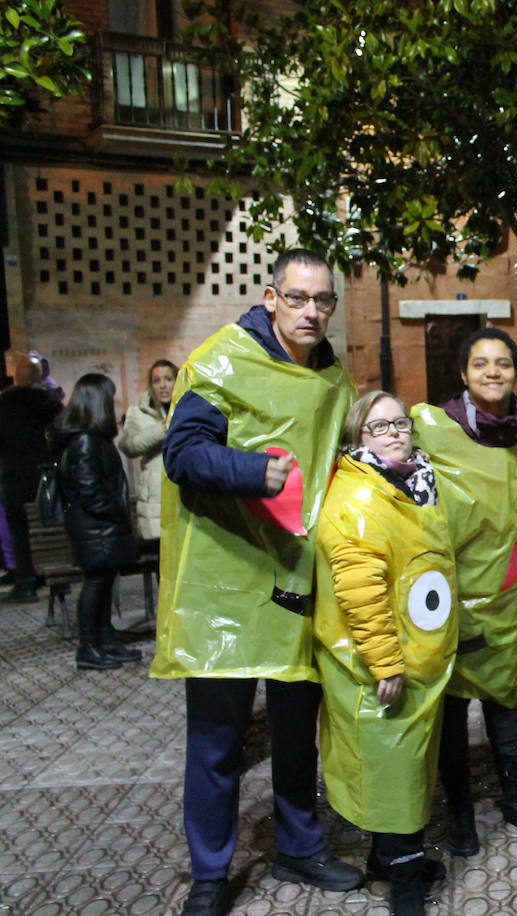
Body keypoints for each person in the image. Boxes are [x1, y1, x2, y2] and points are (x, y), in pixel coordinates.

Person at [152, 249, 360, 916]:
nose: (311, 312)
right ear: (271, 299)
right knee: (217, 742)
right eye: (297, 298)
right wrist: (252, 472)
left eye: (322, 301)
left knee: (298, 736)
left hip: (298, 584)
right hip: (226, 586)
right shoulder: (220, 361)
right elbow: (182, 454)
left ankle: (300, 847)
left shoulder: (334, 379)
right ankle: (211, 874)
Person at [411, 328, 517, 855]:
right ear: (463, 374)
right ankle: (460, 811)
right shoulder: (432, 426)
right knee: (450, 712)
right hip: (446, 593)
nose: (492, 372)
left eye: (503, 364)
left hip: (505, 590)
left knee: (502, 699)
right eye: (480, 364)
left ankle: (516, 798)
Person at [314, 391, 454, 916]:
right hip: (382, 664)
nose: (395, 433)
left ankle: (385, 866)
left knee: (404, 765)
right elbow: (360, 588)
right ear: (357, 439)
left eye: (400, 423)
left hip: (419, 656)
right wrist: (386, 662)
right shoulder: (359, 498)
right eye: (379, 428)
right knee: (393, 771)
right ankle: (404, 886)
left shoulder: (413, 484)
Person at [51, 373, 141, 671]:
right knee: (96, 584)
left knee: (102, 584)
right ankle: (89, 647)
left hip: (98, 527)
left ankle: (104, 641)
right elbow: (91, 492)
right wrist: (117, 512)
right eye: (111, 398)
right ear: (99, 402)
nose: (115, 405)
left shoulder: (91, 438)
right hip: (95, 528)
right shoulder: (86, 441)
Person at [0, 353, 63, 602]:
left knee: (19, 531)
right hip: (46, 475)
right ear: (39, 378)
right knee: (52, 526)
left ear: (15, 377)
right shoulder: (51, 403)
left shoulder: (4, 405)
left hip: (15, 478)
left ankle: (26, 580)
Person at [119, 359, 178, 542]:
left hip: (185, 494)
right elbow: (128, 446)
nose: (163, 386)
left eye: (168, 379)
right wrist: (162, 429)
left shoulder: (188, 409)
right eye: (156, 380)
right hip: (156, 500)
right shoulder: (138, 413)